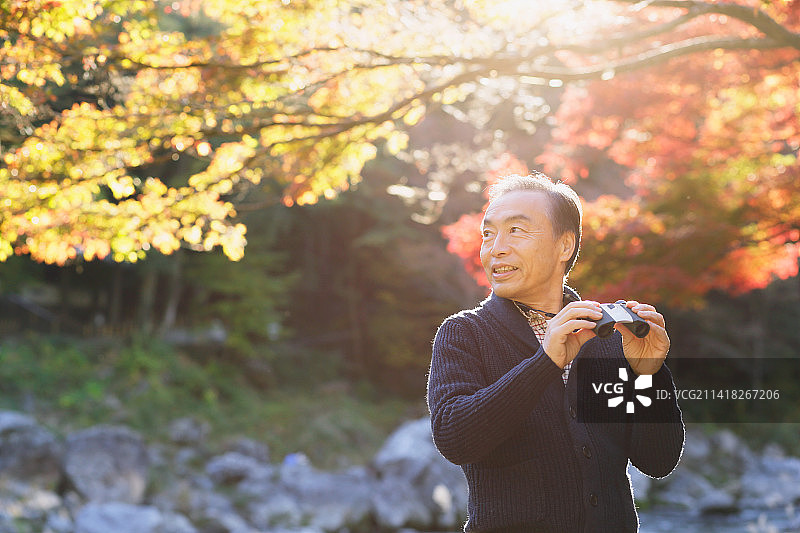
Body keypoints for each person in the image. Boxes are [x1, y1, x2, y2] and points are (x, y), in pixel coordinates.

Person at [427, 172, 684, 532]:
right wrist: (544, 363)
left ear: (564, 246)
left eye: (516, 230)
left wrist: (647, 375)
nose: (495, 247)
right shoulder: (465, 333)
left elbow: (659, 461)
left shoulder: (611, 338)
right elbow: (456, 439)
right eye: (488, 233)